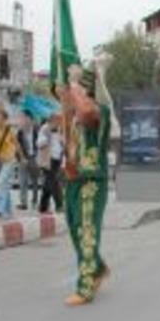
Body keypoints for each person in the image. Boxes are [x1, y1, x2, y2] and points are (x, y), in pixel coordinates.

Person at [56, 58, 113, 306]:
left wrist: (75, 83)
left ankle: (86, 286)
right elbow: (67, 109)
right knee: (75, 230)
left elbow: (86, 110)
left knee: (86, 231)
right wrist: (65, 87)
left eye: (80, 92)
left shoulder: (99, 113)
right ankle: (98, 267)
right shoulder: (76, 117)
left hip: (91, 182)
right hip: (73, 180)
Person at [37, 113, 64, 214]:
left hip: (57, 159)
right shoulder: (44, 128)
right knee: (54, 182)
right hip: (47, 160)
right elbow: (39, 143)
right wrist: (47, 138)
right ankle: (60, 205)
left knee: (48, 184)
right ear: (52, 120)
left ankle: (43, 207)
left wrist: (62, 141)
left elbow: (61, 143)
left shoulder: (60, 129)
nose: (59, 123)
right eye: (57, 121)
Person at [16, 111, 40, 211]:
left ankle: (34, 200)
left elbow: (40, 145)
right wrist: (20, 159)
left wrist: (38, 157)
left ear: (31, 120)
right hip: (23, 158)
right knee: (22, 181)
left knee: (35, 181)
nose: (24, 120)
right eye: (22, 118)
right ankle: (23, 202)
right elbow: (17, 147)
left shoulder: (36, 131)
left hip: (34, 157)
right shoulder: (20, 132)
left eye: (26, 118)